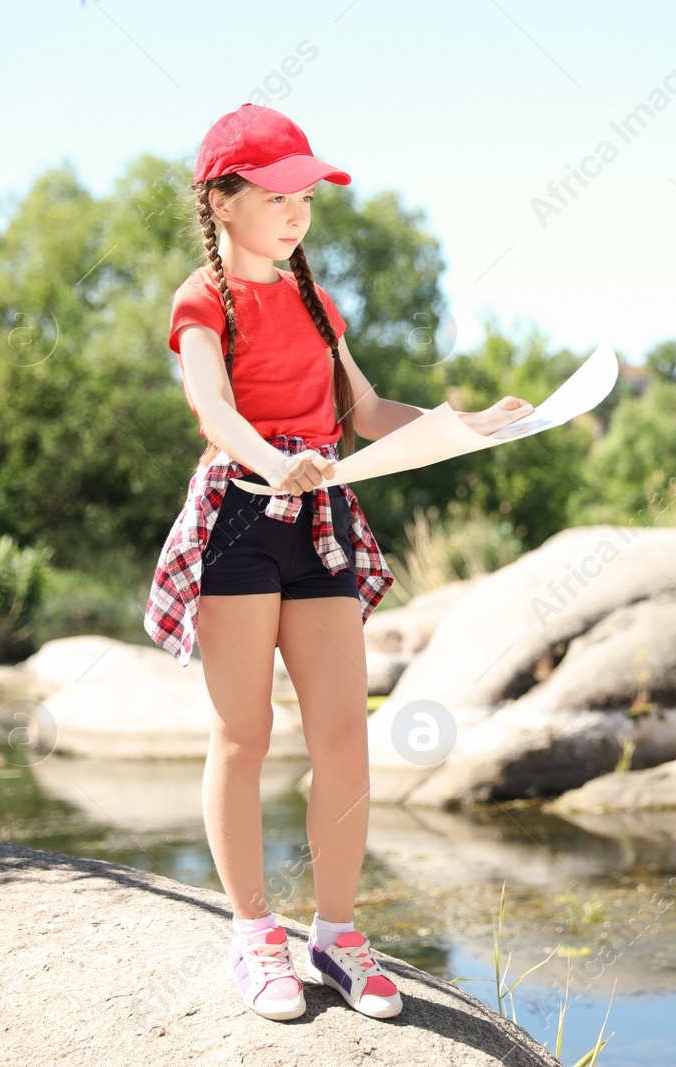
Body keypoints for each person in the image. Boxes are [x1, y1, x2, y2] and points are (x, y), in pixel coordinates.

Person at [142, 102, 532, 1023]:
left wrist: (470, 425)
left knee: (345, 737)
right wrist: (274, 461)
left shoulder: (319, 301)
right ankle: (252, 931)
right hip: (239, 522)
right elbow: (215, 412)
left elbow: (364, 413)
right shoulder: (202, 300)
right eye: (278, 193)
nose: (297, 210)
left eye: (306, 194)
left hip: (319, 523)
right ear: (223, 200)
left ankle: (338, 934)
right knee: (242, 735)